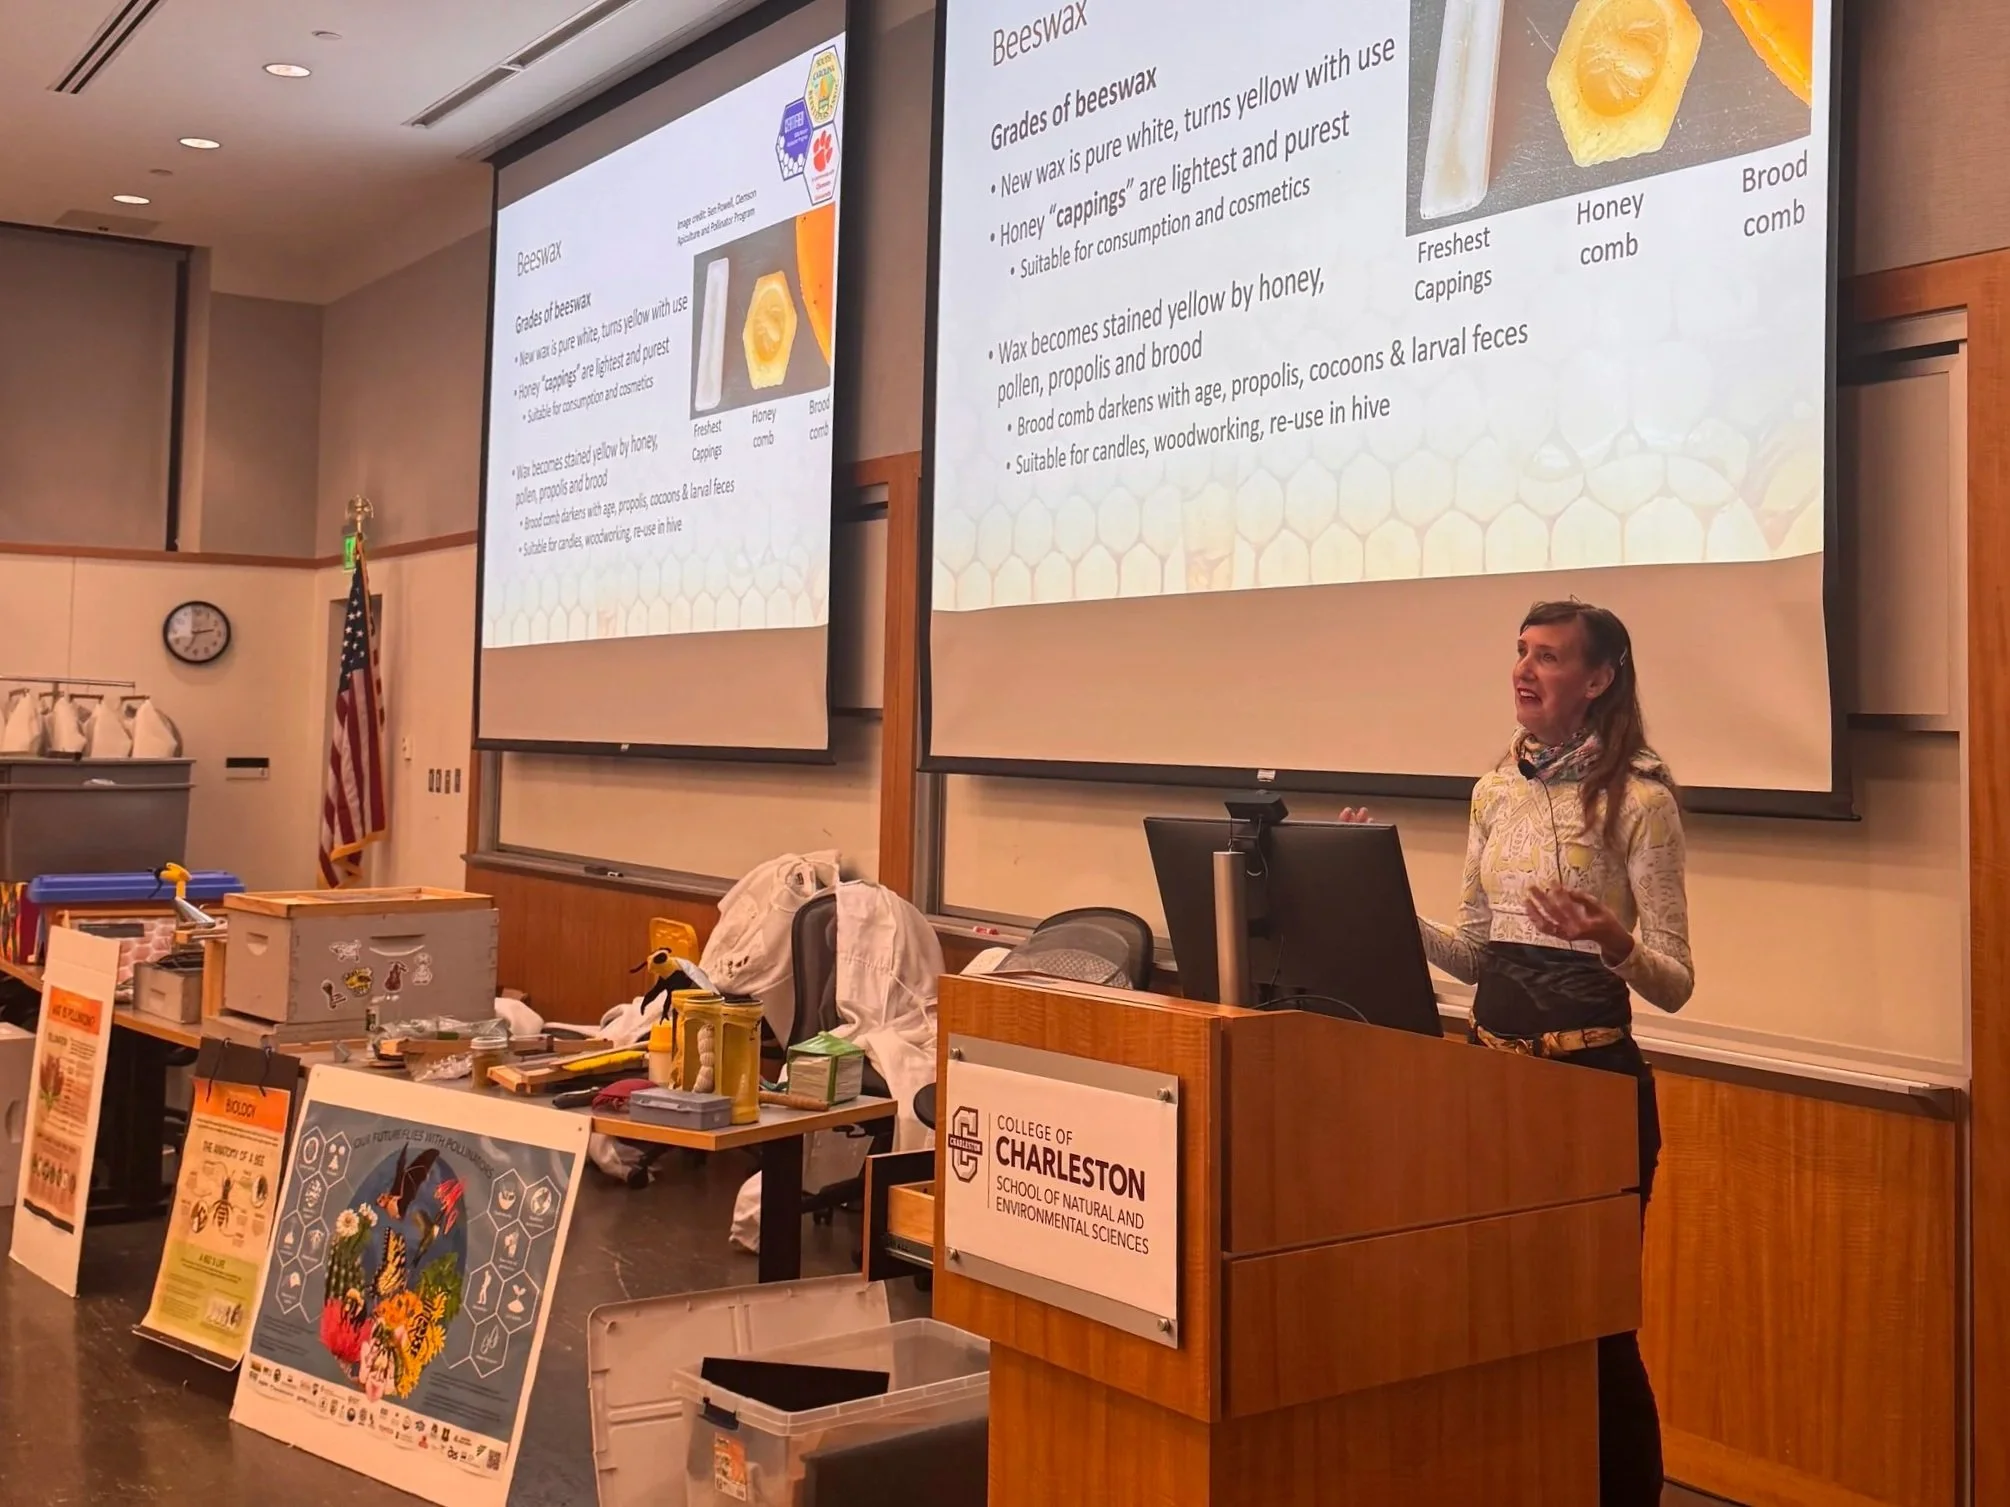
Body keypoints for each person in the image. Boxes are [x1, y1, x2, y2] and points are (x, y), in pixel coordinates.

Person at [1343, 598, 1690, 1507]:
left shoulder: (1642, 801)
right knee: (1489, 1317)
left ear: (1600, 678)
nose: (1524, 671)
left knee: (1597, 1329)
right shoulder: (1493, 791)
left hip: (1592, 1091)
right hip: (1490, 1083)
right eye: (1521, 653)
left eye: (1548, 657)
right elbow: (1471, 952)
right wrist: (1376, 891)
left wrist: (1615, 937)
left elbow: (1676, 980)